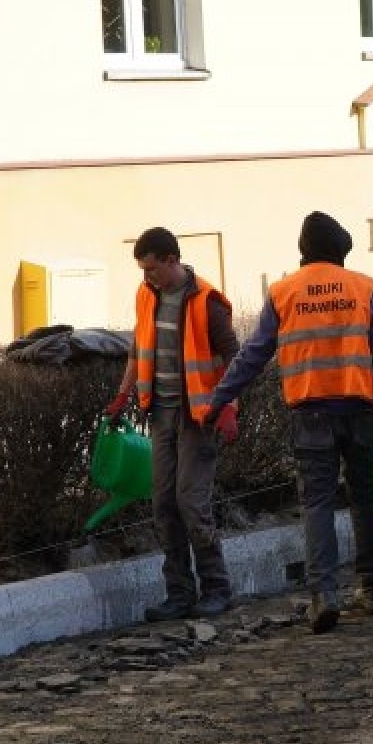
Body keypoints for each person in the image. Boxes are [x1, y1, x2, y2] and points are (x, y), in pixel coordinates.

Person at [202, 212, 373, 635]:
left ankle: (324, 594)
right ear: (338, 250)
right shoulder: (361, 287)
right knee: (365, 499)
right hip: (361, 408)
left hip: (310, 412)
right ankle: (372, 589)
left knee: (316, 503)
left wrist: (220, 398)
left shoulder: (284, 292)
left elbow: (253, 355)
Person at [105, 227, 241, 622]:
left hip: (199, 418)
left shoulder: (207, 302)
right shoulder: (146, 295)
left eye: (151, 268)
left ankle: (218, 589)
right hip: (160, 415)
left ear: (171, 260)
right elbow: (138, 348)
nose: (147, 276)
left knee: (191, 503)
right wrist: (122, 394)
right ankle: (179, 594)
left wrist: (228, 406)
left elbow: (235, 358)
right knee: (163, 504)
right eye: (142, 270)